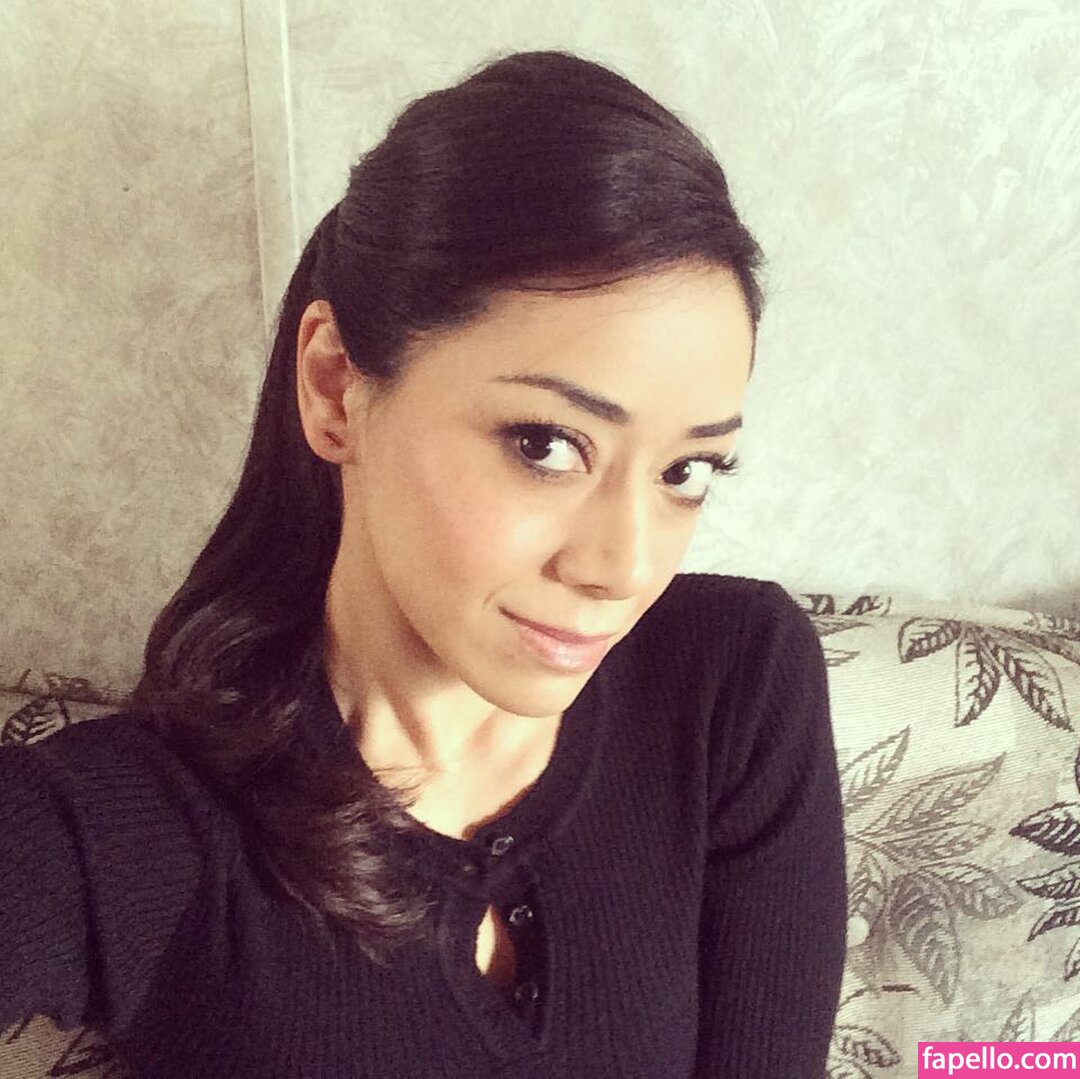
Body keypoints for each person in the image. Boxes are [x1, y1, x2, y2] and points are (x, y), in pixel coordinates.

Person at [0, 49, 846, 1077]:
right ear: (335, 386)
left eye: (687, 471)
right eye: (546, 443)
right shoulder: (135, 830)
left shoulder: (730, 686)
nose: (624, 566)